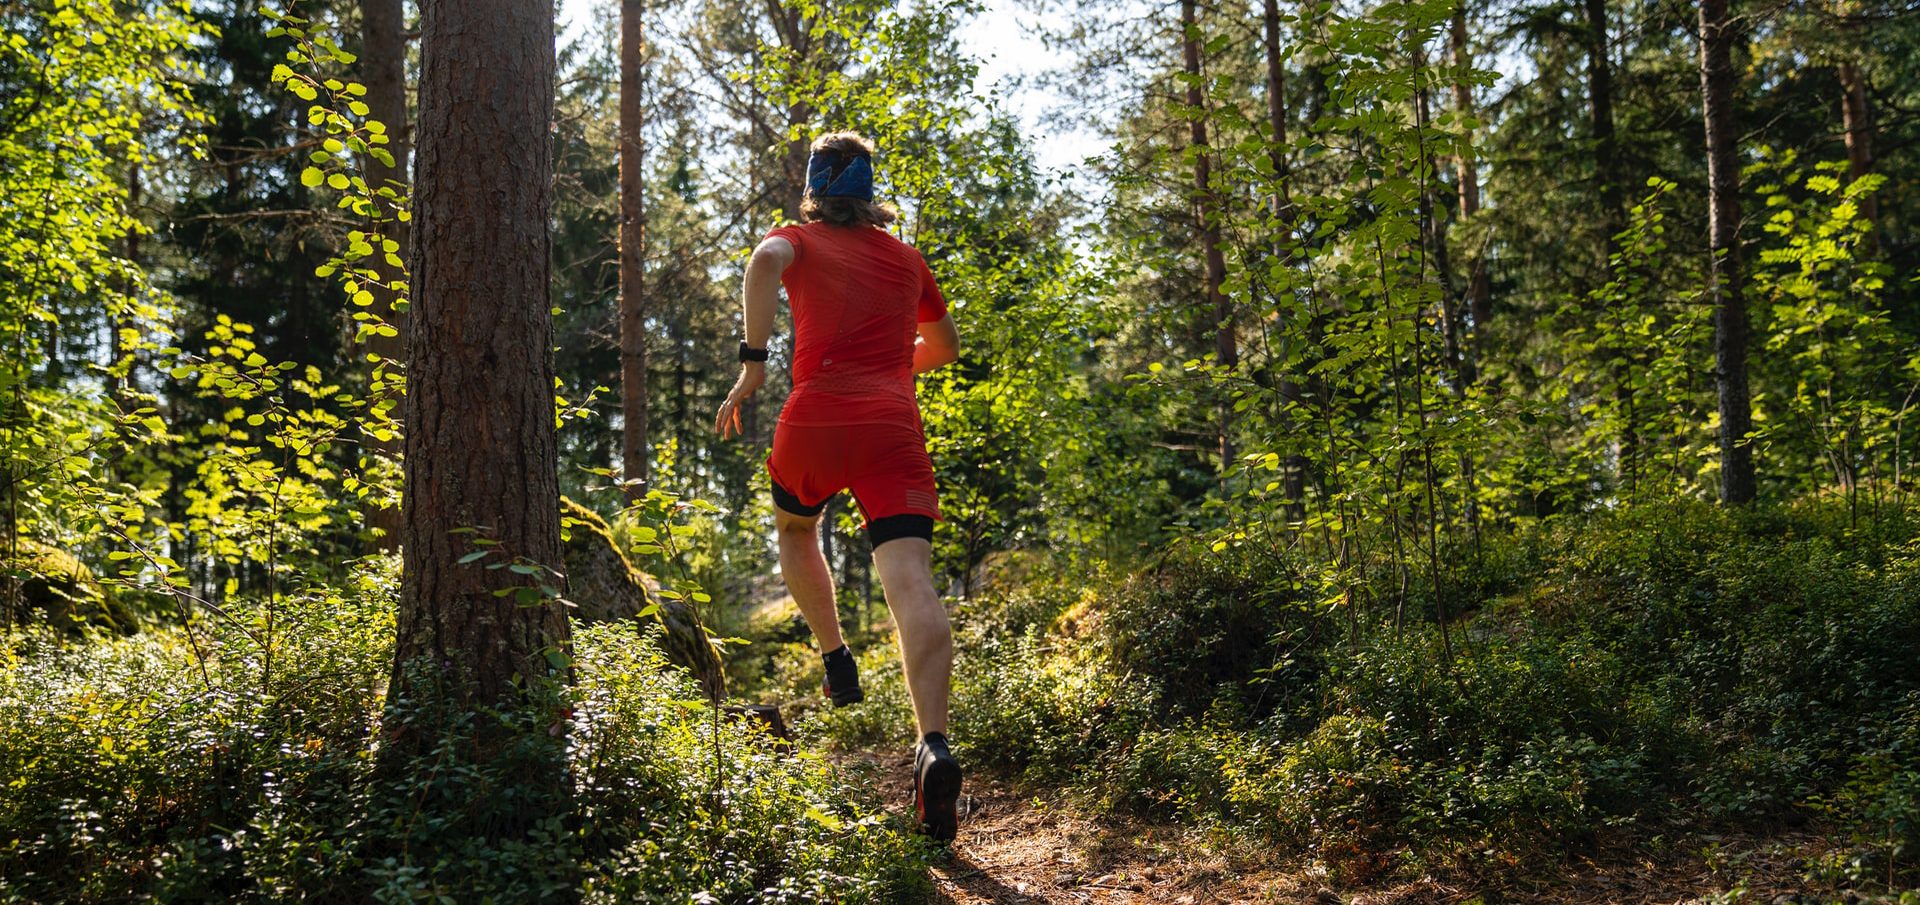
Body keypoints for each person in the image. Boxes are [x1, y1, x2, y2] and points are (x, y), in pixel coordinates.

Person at [713, 131, 965, 842]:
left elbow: (764, 260)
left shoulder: (797, 237)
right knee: (911, 579)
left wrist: (754, 364)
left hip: (815, 416)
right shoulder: (908, 258)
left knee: (797, 529)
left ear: (816, 190)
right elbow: (944, 347)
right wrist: (889, 371)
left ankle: (835, 655)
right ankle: (934, 744)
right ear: (868, 193)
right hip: (893, 425)